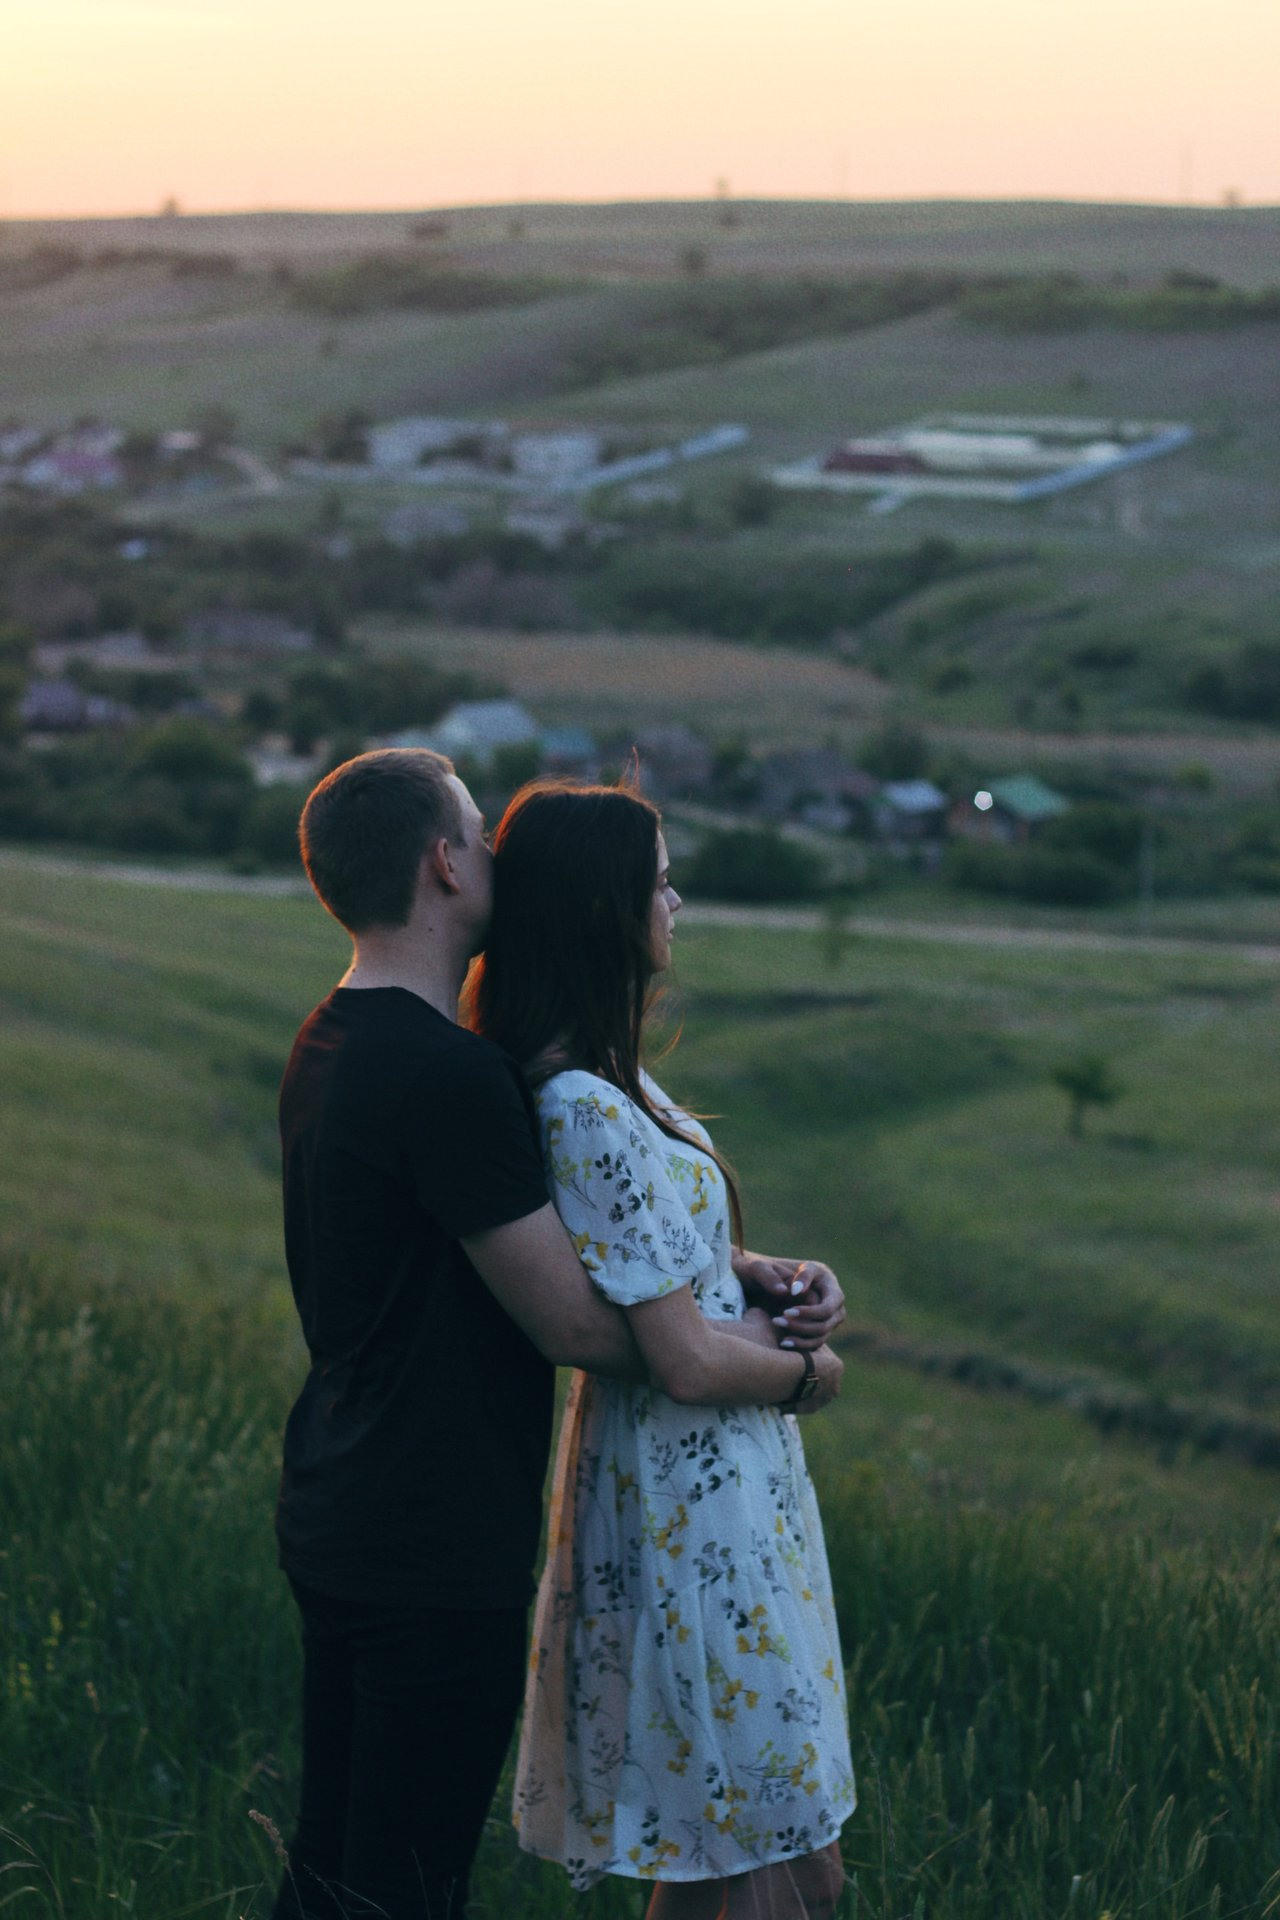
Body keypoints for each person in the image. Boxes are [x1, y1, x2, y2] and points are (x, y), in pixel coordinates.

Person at [271, 748, 846, 1920]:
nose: (496, 857)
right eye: (480, 835)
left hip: (344, 1494)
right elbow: (584, 1322)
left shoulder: (335, 1039)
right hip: (429, 1527)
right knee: (400, 1889)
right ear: (443, 862)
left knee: (338, 1875)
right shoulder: (451, 1080)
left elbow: (574, 1240)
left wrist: (728, 1275)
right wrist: (787, 1365)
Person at [470, 781, 856, 1920]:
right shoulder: (580, 1102)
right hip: (685, 1510)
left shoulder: (615, 1077)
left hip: (732, 1497)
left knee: (753, 1856)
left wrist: (775, 1274)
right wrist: (807, 1375)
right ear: (604, 906)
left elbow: (668, 1252)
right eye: (657, 879)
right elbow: (682, 1359)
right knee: (760, 1864)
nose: (674, 898)